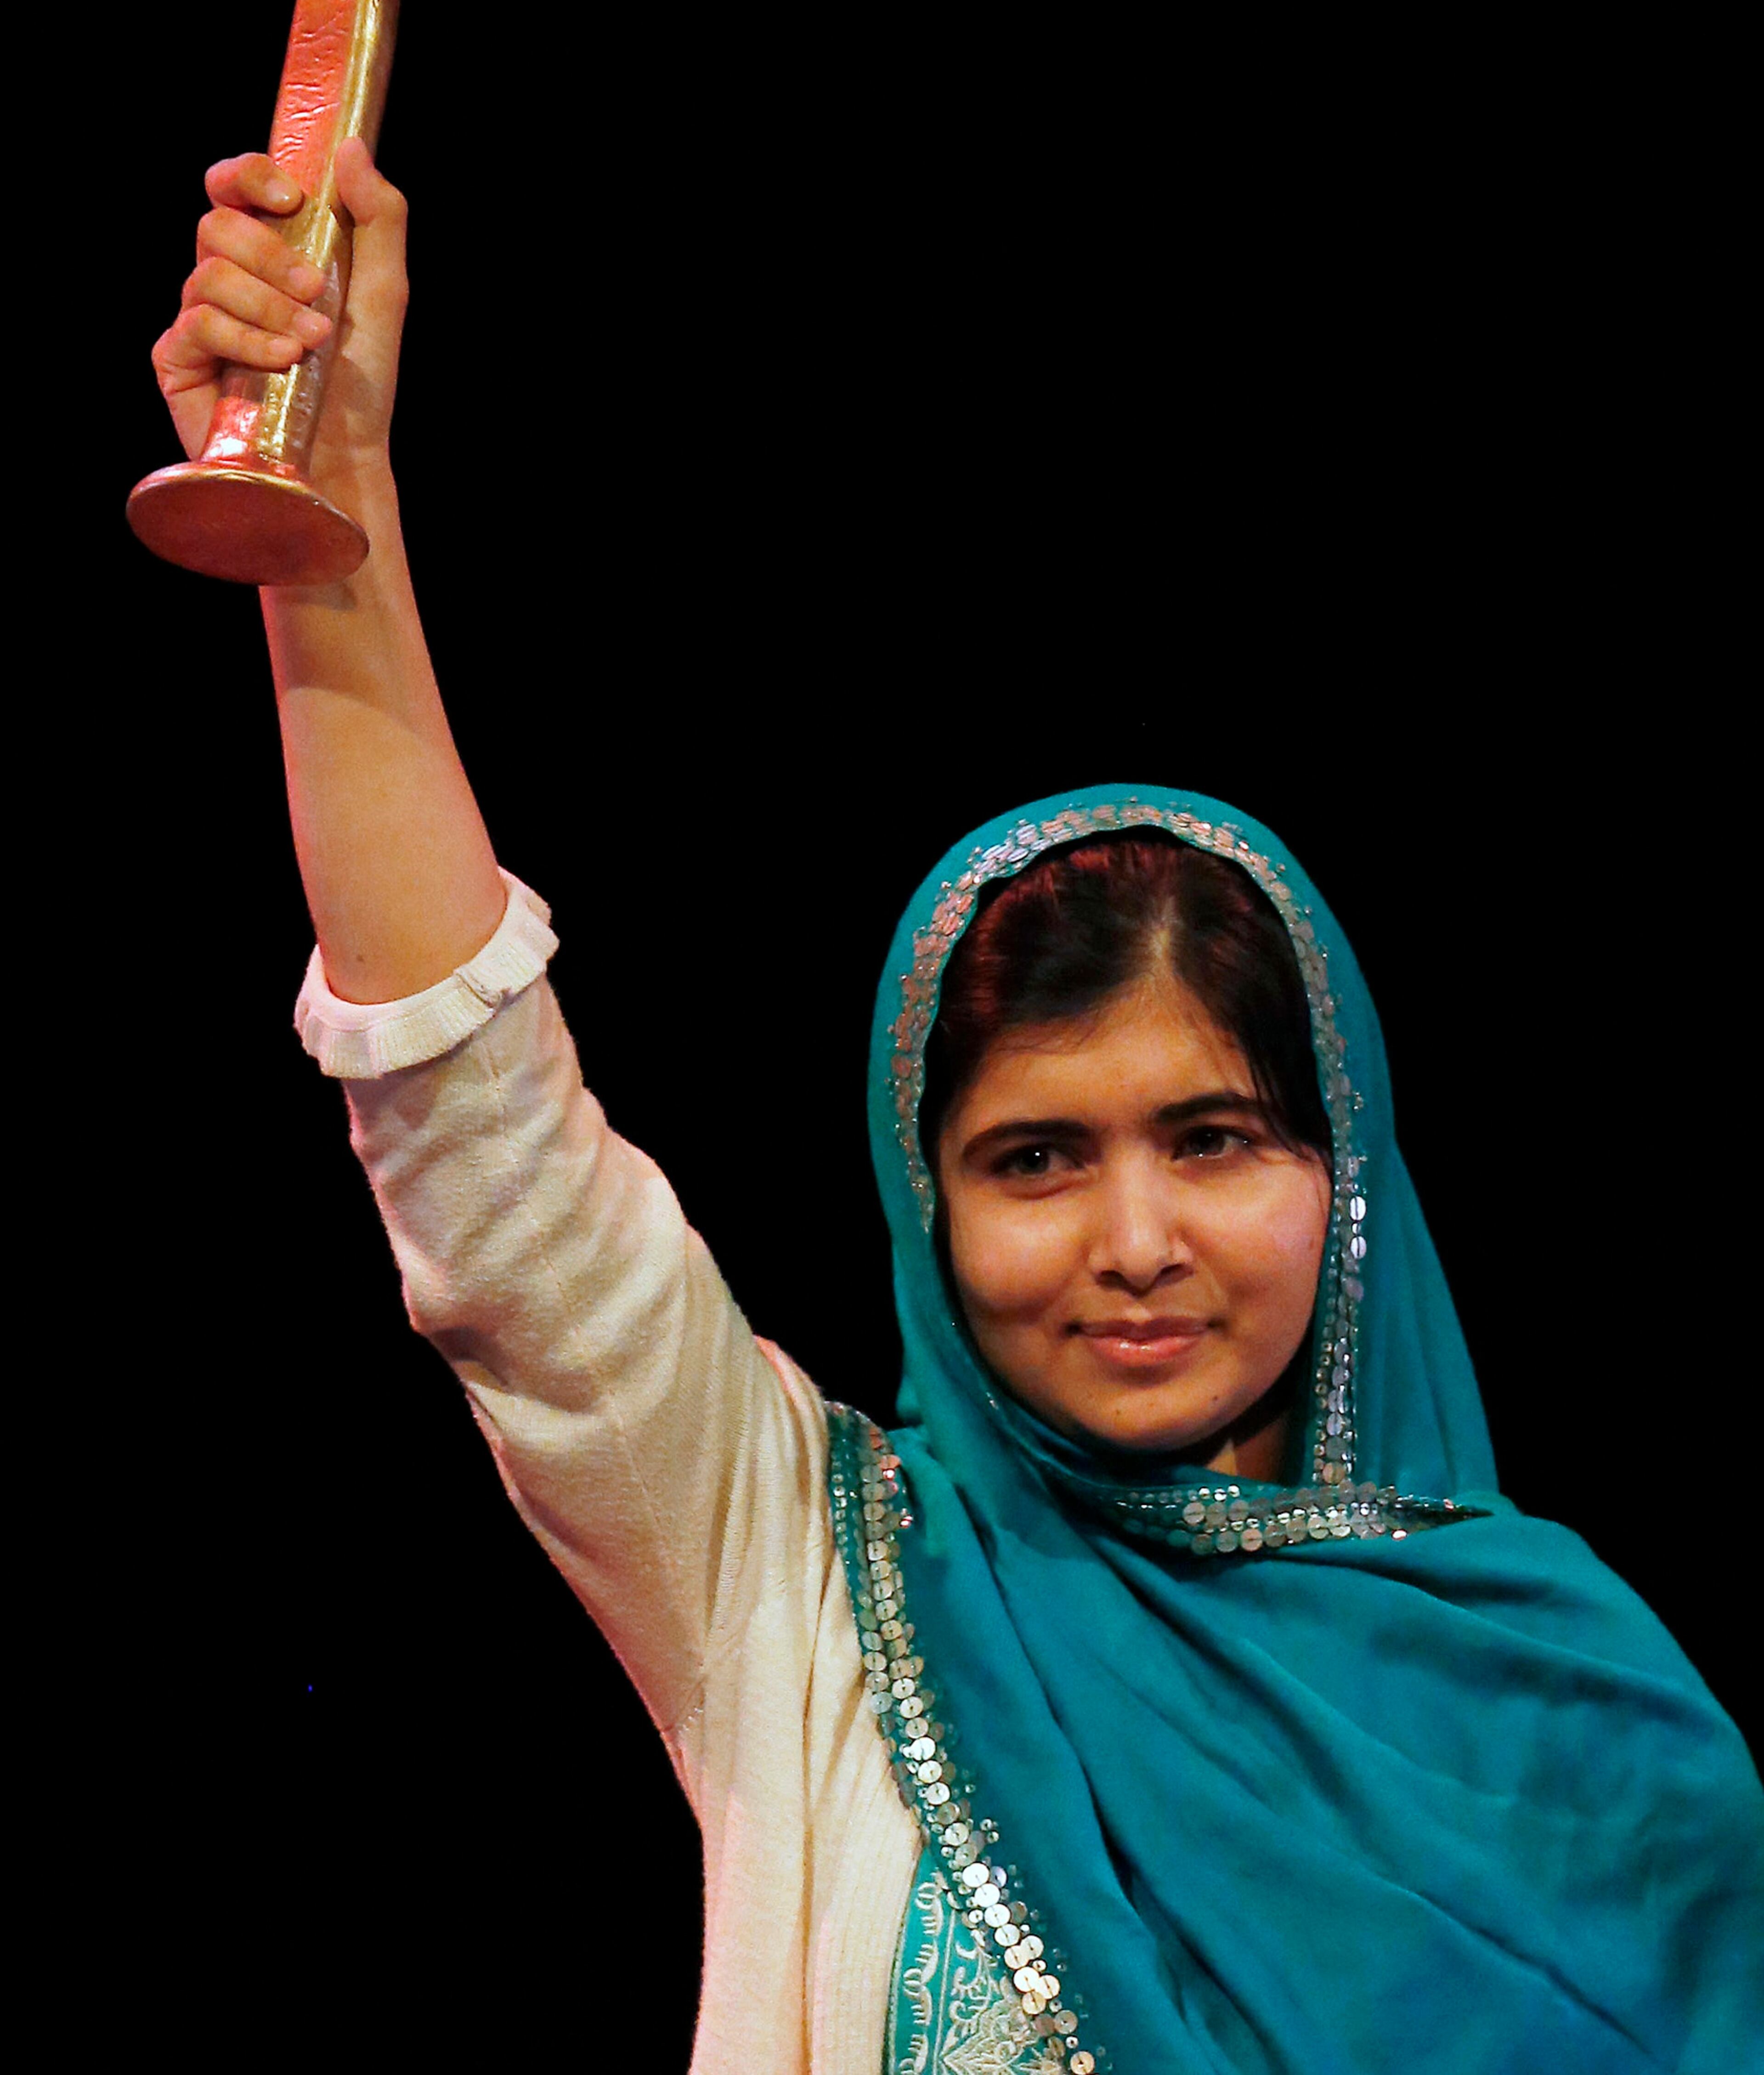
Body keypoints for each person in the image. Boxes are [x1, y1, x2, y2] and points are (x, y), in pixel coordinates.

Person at [155, 147, 1764, 2074]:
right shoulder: (811, 1579)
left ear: (1346, 1173)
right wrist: (329, 521)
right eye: (1036, 1160)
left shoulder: (1598, 1741)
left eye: (1215, 1138)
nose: (1137, 1242)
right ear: (927, 1208)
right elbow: (480, 1130)